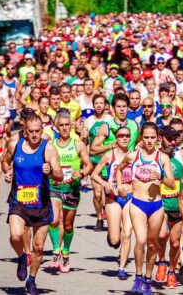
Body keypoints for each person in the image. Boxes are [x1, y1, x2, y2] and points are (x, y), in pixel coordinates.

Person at [1, 114, 63, 295]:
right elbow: (4, 161)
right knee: (15, 236)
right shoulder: (15, 145)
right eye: (31, 132)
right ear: (25, 132)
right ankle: (21, 257)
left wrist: (51, 171)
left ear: (42, 131)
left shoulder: (48, 148)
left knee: (39, 247)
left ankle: (32, 279)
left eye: (38, 131)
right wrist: (8, 172)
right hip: (18, 202)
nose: (35, 135)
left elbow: (59, 175)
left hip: (41, 204)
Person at [116, 122, 175, 295]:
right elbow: (119, 169)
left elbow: (172, 184)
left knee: (152, 244)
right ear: (142, 137)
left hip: (156, 205)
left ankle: (148, 279)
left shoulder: (162, 158)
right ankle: (138, 276)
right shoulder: (132, 156)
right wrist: (119, 186)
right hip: (137, 203)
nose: (149, 141)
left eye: (153, 137)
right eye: (146, 137)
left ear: (158, 138)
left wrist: (161, 177)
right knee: (140, 240)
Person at [48, 110, 92, 273]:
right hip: (55, 187)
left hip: (72, 190)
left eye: (67, 125)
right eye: (61, 125)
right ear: (56, 127)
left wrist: (81, 173)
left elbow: (88, 165)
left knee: (67, 225)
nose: (65, 128)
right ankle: (55, 250)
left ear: (72, 125)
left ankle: (65, 252)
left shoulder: (78, 144)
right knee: (53, 219)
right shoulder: (51, 145)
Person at [90, 93, 139, 230]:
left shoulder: (134, 125)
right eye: (118, 107)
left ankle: (122, 238)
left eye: (124, 106)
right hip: (110, 172)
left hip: (129, 174)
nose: (122, 109)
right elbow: (93, 149)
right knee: (101, 197)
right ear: (113, 108)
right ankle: (105, 222)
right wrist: (109, 146)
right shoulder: (107, 126)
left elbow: (139, 143)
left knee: (126, 219)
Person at [91, 126, 133, 280]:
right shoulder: (109, 155)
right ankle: (112, 233)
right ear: (116, 137)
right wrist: (105, 184)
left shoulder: (134, 155)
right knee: (115, 239)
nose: (124, 138)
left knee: (127, 234)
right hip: (112, 198)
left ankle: (121, 268)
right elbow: (94, 175)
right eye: (121, 135)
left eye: (127, 135)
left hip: (130, 197)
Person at [155, 126, 183, 288]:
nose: (172, 142)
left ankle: (171, 271)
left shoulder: (182, 154)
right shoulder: (155, 155)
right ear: (161, 138)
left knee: (176, 243)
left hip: (177, 203)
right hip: (160, 203)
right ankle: (161, 261)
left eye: (175, 138)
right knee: (162, 234)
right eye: (169, 138)